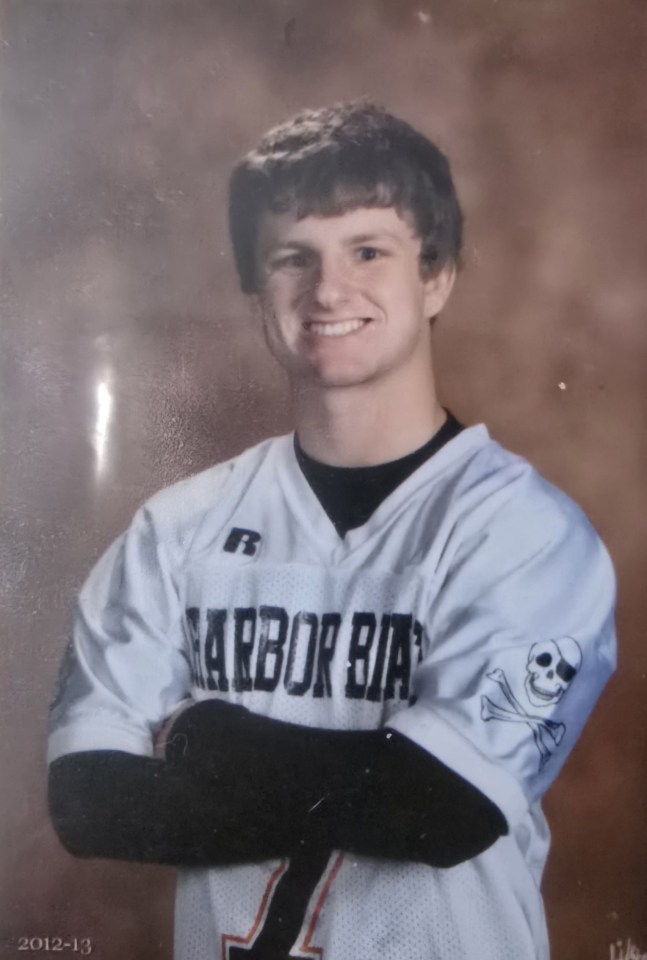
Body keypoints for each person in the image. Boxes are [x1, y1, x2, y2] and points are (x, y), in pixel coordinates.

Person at [47, 101, 617, 960]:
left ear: (437, 276)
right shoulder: (177, 529)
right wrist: (367, 775)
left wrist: (211, 737)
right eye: (291, 258)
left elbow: (441, 809)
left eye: (367, 251)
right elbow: (89, 801)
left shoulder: (525, 533)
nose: (326, 291)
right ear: (254, 287)